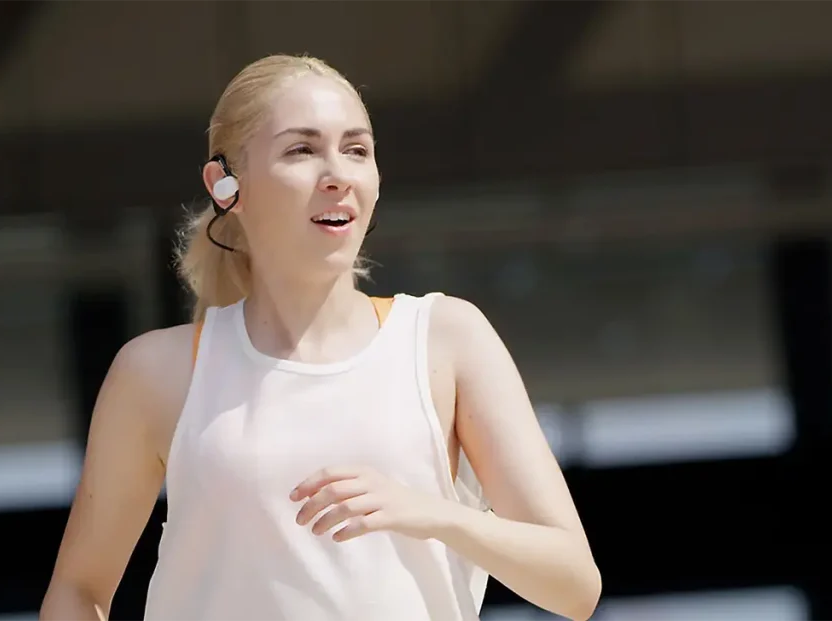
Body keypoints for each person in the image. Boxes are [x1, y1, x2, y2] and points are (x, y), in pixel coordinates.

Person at [39, 54, 601, 621]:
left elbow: (575, 584)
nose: (338, 174)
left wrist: (429, 512)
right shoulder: (157, 371)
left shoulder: (446, 339)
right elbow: (77, 591)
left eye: (357, 150)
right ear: (226, 184)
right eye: (302, 150)